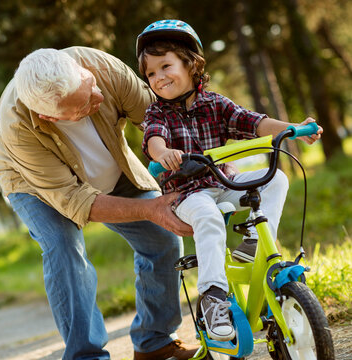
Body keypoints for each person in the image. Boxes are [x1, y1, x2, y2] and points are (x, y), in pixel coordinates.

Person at [0, 46, 201, 360]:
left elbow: (160, 120)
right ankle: (86, 356)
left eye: (89, 85)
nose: (98, 98)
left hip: (109, 165)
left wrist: (204, 162)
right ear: (48, 116)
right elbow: (76, 201)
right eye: (84, 105)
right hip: (35, 184)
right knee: (63, 249)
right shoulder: (17, 126)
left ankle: (154, 343)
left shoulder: (102, 68)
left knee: (164, 238)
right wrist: (150, 208)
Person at [136, 19, 323, 342]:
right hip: (186, 195)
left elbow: (254, 122)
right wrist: (163, 152)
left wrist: (294, 128)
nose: (158, 78)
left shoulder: (215, 104)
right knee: (208, 218)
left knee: (274, 179)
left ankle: (253, 241)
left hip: (224, 182)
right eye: (151, 73)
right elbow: (154, 139)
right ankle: (213, 299)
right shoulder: (158, 114)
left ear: (191, 64)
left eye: (165, 66)